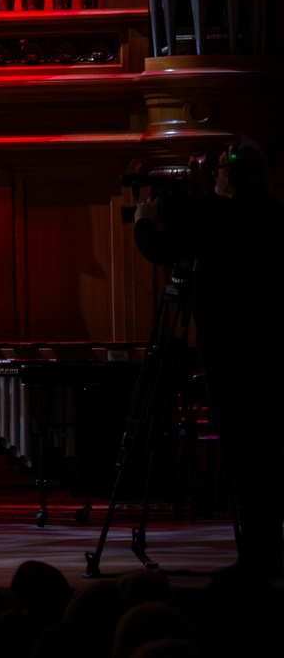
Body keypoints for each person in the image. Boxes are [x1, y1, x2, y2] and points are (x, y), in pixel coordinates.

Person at [132, 137, 284, 577]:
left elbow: (161, 251)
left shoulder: (221, 217)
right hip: (272, 355)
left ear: (231, 176)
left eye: (218, 170)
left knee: (245, 459)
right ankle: (269, 554)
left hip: (232, 358)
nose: (213, 176)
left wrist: (145, 220)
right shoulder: (276, 215)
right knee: (269, 458)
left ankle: (257, 560)